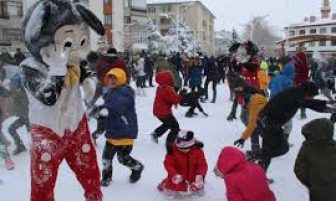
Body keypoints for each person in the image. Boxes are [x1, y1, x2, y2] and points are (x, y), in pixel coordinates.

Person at [21, 1, 105, 200]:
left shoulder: (75, 64)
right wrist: (57, 69)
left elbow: (91, 78)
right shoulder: (30, 67)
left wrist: (90, 83)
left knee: (91, 174)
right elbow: (47, 96)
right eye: (68, 42)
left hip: (77, 127)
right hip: (47, 133)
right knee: (43, 183)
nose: (75, 49)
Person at [257, 81, 336, 174]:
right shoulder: (297, 96)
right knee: (279, 149)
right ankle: (257, 161)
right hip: (268, 123)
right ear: (308, 92)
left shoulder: (296, 93)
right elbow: (310, 104)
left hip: (270, 122)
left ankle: (259, 171)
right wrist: (330, 108)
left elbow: (309, 102)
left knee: (273, 150)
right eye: (312, 95)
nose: (312, 98)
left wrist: (329, 103)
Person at [94, 68, 144, 186]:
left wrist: (106, 110)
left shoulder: (125, 92)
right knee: (106, 158)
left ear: (121, 78)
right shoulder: (111, 91)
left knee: (122, 158)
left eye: (115, 78)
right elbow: (108, 106)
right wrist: (99, 110)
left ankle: (137, 167)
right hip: (113, 131)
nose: (111, 80)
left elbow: (118, 105)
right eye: (109, 78)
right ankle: (106, 178)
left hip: (125, 130)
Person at [294, 118, 336, 201]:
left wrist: (311, 183)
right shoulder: (333, 146)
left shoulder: (307, 148)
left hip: (317, 192)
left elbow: (299, 170)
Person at [158, 130, 208, 198]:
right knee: (174, 189)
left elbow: (202, 164)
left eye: (186, 148)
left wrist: (200, 175)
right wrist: (174, 174)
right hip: (179, 178)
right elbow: (168, 164)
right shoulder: (172, 152)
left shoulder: (198, 151)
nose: (183, 150)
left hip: (193, 177)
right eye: (181, 148)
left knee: (197, 189)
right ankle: (164, 183)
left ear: (192, 145)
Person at [232, 78, 268, 161]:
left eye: (237, 88)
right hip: (259, 110)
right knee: (253, 127)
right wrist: (233, 112)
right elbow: (237, 101)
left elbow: (262, 96)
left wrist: (243, 138)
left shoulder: (251, 91)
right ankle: (256, 150)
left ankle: (266, 148)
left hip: (263, 113)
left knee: (256, 129)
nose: (236, 90)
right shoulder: (246, 97)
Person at [151, 71, 181, 152]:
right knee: (175, 127)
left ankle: (156, 133)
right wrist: (181, 94)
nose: (172, 79)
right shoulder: (167, 89)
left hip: (158, 111)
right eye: (170, 78)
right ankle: (169, 144)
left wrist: (174, 91)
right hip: (163, 112)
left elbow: (168, 98)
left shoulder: (160, 87)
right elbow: (174, 100)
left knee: (168, 124)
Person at [7, 73, 30, 155]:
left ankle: (39, 149)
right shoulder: (17, 92)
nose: (11, 86)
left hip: (28, 118)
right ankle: (20, 146)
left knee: (32, 134)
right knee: (11, 129)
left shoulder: (23, 93)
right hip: (23, 118)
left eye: (13, 84)